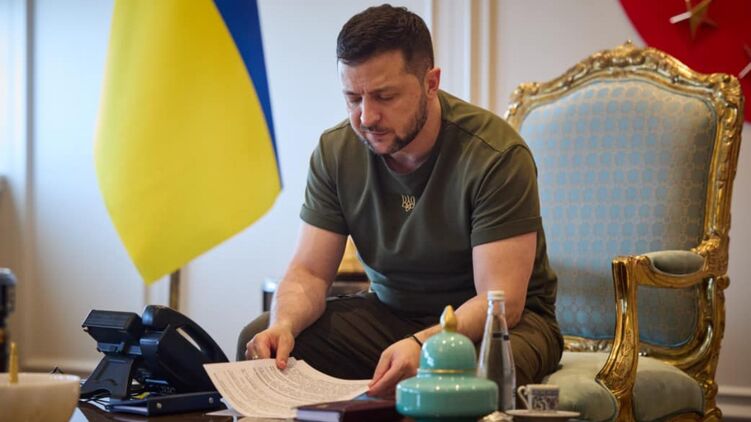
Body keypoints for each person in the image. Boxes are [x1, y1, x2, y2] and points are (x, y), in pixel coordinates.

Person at [237, 4, 562, 398]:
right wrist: (284, 325)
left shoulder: (495, 155)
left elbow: (502, 301)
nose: (366, 117)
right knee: (264, 343)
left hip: (503, 327)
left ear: (431, 82)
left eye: (384, 96)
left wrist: (426, 345)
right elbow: (309, 272)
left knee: (463, 380)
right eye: (353, 98)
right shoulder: (336, 151)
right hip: (392, 316)